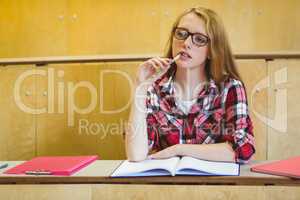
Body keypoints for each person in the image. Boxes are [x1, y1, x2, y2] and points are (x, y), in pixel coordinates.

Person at [125, 6, 255, 164]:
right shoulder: (153, 89)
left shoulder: (230, 88)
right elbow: (136, 155)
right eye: (181, 34)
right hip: (165, 186)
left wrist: (179, 149)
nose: (186, 43)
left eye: (199, 39)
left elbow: (242, 150)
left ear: (212, 50)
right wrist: (141, 87)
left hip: (215, 187)